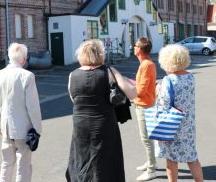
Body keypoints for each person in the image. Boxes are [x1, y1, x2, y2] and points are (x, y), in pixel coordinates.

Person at [66, 39, 136, 182]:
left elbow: (74, 98)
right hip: (104, 124)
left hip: (81, 124)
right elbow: (132, 94)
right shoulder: (109, 71)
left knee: (83, 158)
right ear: (101, 54)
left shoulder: (73, 74)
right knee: (105, 161)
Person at [0, 43, 42, 182]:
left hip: (6, 126)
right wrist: (38, 128)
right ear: (24, 59)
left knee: (6, 164)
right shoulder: (27, 76)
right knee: (23, 166)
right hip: (24, 128)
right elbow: (33, 106)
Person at [155, 44, 203, 182]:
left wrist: (158, 91)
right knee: (192, 158)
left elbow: (163, 104)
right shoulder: (190, 77)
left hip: (172, 126)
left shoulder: (169, 80)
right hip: (188, 125)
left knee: (171, 160)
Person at [133, 37, 158, 181]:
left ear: (140, 49)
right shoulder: (145, 64)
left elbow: (141, 90)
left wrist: (128, 90)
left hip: (145, 105)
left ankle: (151, 169)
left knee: (146, 139)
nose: (133, 47)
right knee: (147, 138)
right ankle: (150, 162)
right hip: (144, 104)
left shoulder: (146, 65)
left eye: (135, 45)